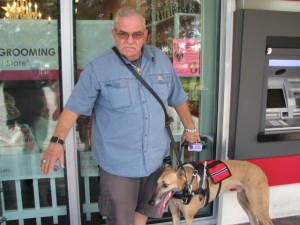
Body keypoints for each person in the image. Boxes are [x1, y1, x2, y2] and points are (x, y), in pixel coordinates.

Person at [40, 6, 200, 225]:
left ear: (145, 34)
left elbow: (178, 97)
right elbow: (73, 107)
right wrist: (57, 141)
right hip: (119, 166)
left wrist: (190, 129)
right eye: (123, 33)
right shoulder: (99, 68)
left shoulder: (161, 61)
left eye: (136, 34)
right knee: (120, 220)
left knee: (143, 212)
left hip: (155, 162)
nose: (130, 40)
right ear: (114, 34)